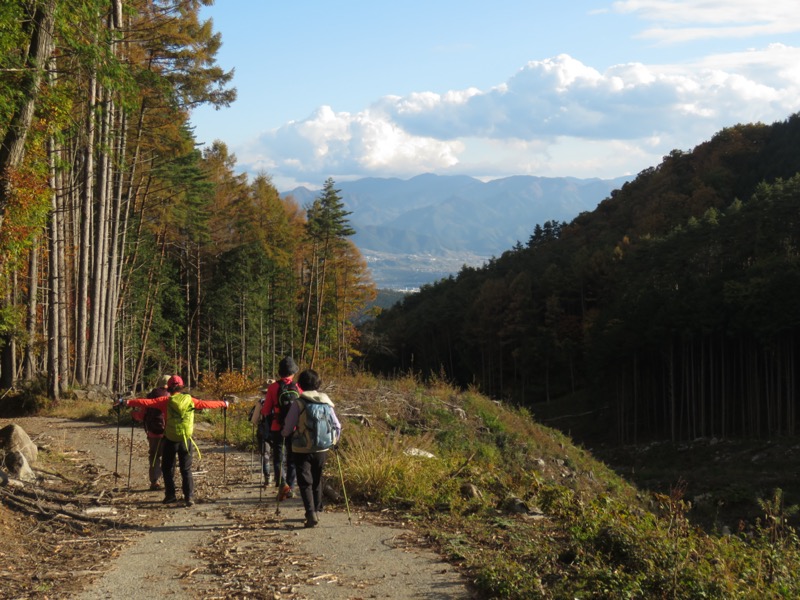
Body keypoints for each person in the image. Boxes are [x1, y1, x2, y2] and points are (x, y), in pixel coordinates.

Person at [123, 375, 228, 507]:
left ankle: (170, 495)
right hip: (185, 439)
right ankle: (189, 497)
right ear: (182, 386)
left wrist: (127, 402)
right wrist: (224, 403)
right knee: (186, 469)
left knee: (167, 468)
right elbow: (207, 404)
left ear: (169, 387)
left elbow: (146, 402)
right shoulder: (190, 400)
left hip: (170, 439)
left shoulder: (165, 401)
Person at [282, 368, 341, 528]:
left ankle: (310, 513)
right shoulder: (326, 402)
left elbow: (289, 425)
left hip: (302, 448)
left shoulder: (299, 403)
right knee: (317, 479)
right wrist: (335, 441)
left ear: (300, 385)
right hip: (322, 448)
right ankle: (318, 508)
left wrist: (284, 434)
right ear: (318, 384)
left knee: (305, 481)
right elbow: (337, 425)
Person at [260, 357, 302, 497]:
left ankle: (282, 484)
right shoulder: (298, 387)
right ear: (293, 372)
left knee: (278, 458)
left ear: (280, 372)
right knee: (292, 458)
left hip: (277, 427)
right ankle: (290, 486)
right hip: (294, 428)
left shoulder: (273, 387)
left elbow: (265, 411)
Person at [130, 375, 169, 490]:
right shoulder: (172, 396)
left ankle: (154, 481)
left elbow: (142, 415)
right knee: (169, 457)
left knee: (154, 456)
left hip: (153, 432)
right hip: (168, 432)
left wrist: (134, 415)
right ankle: (169, 482)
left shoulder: (151, 396)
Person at [250, 379, 275, 485]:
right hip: (279, 431)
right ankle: (281, 479)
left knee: (265, 455)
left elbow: (254, 420)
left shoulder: (261, 402)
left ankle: (267, 478)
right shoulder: (280, 401)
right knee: (280, 455)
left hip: (264, 432)